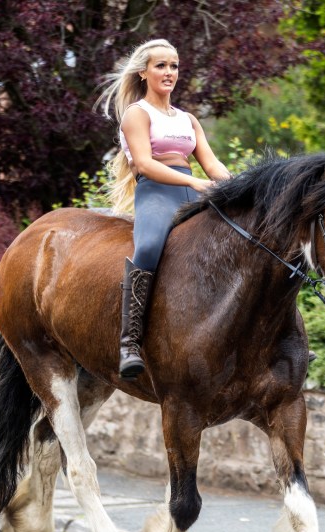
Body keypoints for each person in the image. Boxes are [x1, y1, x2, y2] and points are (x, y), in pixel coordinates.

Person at [97, 39, 232, 380]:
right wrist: (194, 183)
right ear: (143, 72)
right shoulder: (137, 114)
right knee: (148, 246)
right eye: (161, 66)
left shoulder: (187, 119)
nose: (169, 72)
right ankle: (129, 342)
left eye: (174, 66)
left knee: (243, 240)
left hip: (192, 193)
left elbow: (212, 163)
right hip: (157, 193)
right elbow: (143, 163)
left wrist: (237, 186)